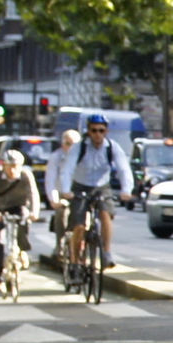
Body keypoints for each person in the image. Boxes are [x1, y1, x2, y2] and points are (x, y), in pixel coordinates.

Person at [59, 113, 133, 272]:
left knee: (105, 214)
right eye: (94, 131)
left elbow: (124, 170)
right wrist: (66, 190)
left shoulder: (112, 147)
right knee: (78, 225)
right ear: (88, 131)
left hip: (101, 186)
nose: (97, 134)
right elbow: (67, 169)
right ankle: (75, 261)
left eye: (101, 130)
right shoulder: (79, 147)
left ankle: (106, 253)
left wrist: (126, 190)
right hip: (80, 186)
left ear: (106, 131)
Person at [0, 150, 40, 293]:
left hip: (18, 206)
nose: (13, 169)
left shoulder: (26, 175)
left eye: (16, 166)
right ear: (4, 165)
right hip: (0, 210)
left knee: (23, 221)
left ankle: (22, 250)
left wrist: (34, 212)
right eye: (10, 166)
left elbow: (33, 193)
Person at [44, 129, 82, 258]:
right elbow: (51, 179)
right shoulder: (56, 157)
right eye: (67, 143)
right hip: (62, 193)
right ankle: (59, 244)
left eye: (74, 144)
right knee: (61, 212)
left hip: (79, 193)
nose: (70, 147)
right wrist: (54, 199)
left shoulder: (83, 157)